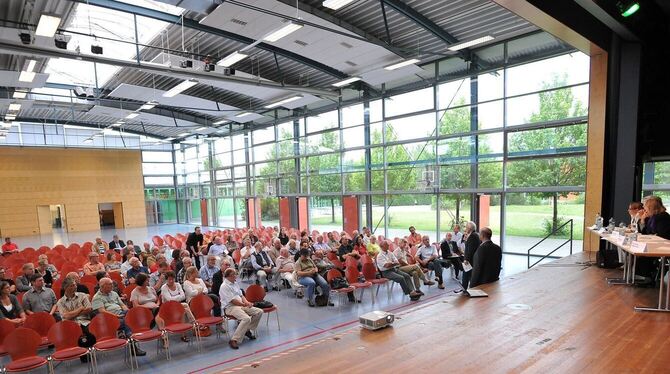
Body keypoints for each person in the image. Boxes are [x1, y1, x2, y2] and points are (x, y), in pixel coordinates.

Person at [91, 277, 146, 356]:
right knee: (127, 322)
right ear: (102, 286)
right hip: (109, 319)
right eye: (109, 284)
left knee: (130, 316)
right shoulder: (96, 298)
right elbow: (102, 312)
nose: (112, 286)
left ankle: (131, 341)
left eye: (112, 284)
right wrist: (115, 316)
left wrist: (128, 312)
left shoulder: (114, 293)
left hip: (121, 314)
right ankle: (132, 343)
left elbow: (122, 305)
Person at [218, 268, 262, 350]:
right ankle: (234, 339)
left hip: (240, 305)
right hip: (230, 307)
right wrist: (244, 304)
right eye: (234, 275)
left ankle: (246, 330)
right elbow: (233, 301)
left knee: (259, 312)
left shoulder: (235, 283)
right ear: (229, 276)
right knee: (246, 318)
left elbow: (241, 295)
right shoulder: (224, 286)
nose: (236, 276)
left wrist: (247, 302)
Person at [160, 271, 195, 342]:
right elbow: (169, 300)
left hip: (178, 306)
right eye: (169, 279)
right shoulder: (164, 287)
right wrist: (178, 297)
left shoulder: (178, 285)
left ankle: (184, 334)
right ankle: (194, 324)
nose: (171, 281)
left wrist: (175, 298)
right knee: (185, 305)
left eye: (172, 279)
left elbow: (183, 296)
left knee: (184, 310)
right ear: (166, 280)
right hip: (167, 307)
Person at [461, 221, 482, 290]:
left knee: (466, 274)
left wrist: (466, 259)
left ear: (469, 228)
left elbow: (471, 249)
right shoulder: (474, 235)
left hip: (470, 260)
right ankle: (467, 288)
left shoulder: (473, 236)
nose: (465, 229)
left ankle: (464, 288)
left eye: (466, 227)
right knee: (468, 274)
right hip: (472, 259)